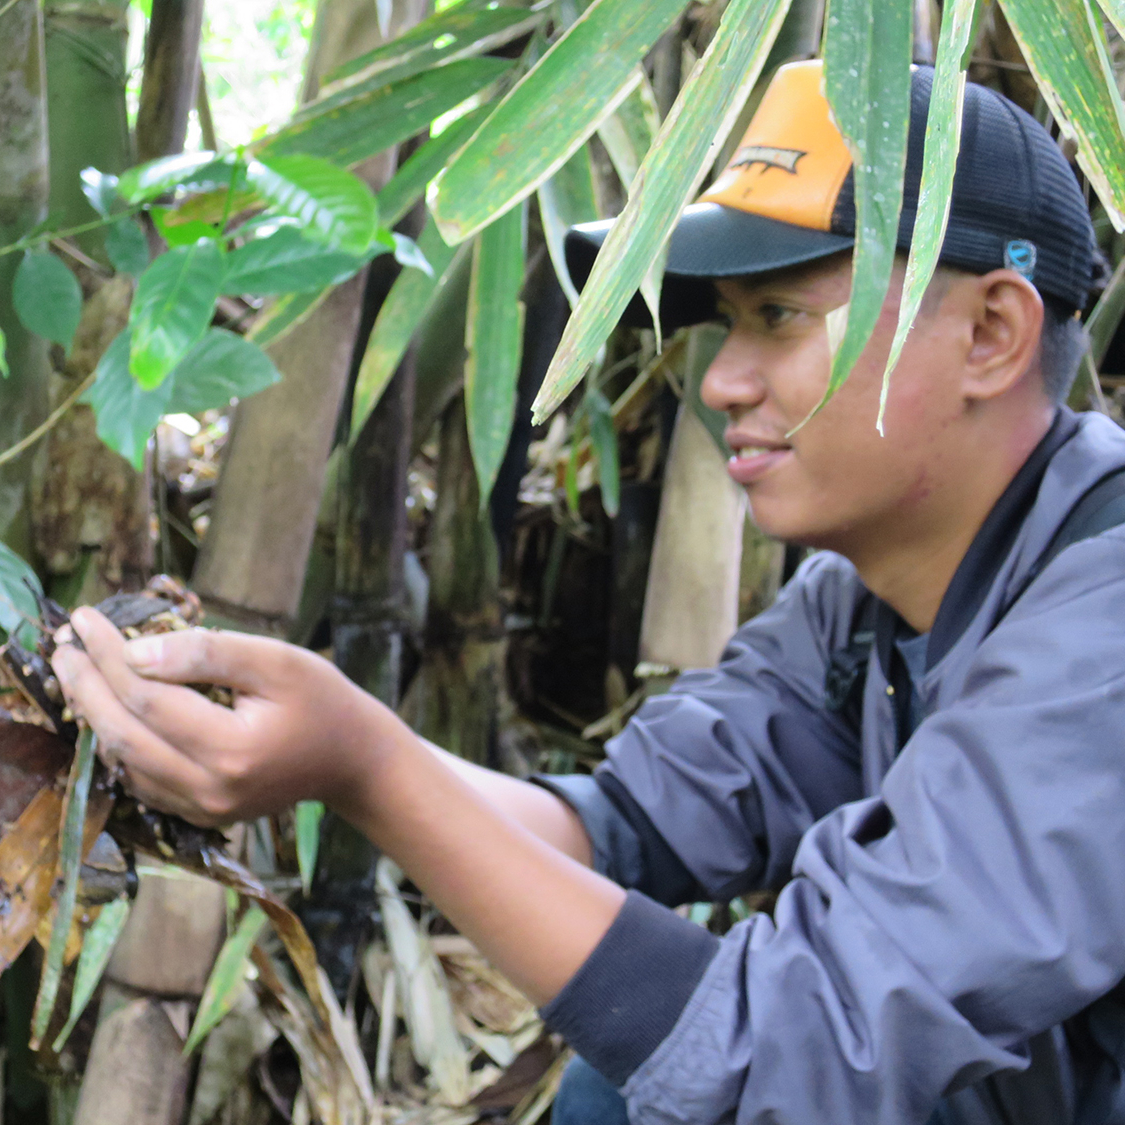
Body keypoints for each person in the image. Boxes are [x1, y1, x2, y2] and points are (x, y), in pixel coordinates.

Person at [50, 60, 1125, 1125]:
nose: (718, 381)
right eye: (727, 323)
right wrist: (323, 745)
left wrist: (370, 769)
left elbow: (790, 1054)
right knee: (623, 1085)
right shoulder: (865, 604)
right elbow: (615, 827)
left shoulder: (1104, 622)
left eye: (782, 317)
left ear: (992, 334)